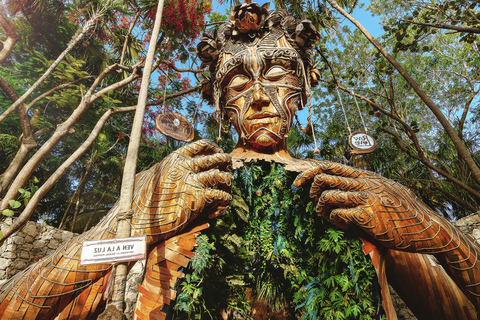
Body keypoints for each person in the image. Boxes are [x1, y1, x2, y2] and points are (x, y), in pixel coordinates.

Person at [0, 2, 479, 319]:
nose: (259, 98)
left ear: (304, 89)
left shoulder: (354, 197)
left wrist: (432, 228)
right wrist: (125, 229)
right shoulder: (177, 188)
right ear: (217, 102)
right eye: (236, 83)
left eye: (275, 74)